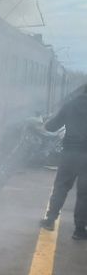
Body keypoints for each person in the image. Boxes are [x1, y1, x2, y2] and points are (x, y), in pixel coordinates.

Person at [40, 84, 87, 239]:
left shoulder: (71, 104)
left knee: (60, 187)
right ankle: (79, 231)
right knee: (84, 194)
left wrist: (46, 122)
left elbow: (52, 127)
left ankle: (50, 220)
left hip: (69, 155)